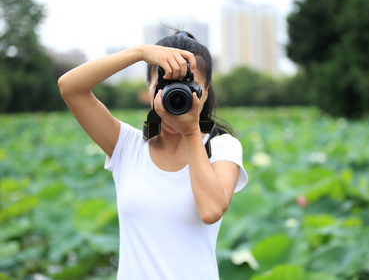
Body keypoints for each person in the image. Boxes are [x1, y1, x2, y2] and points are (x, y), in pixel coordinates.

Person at [58, 31, 248, 279]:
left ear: (206, 90)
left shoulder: (222, 147)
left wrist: (190, 131)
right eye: (164, 84)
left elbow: (211, 211)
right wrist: (140, 52)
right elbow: (70, 87)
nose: (176, 95)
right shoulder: (126, 145)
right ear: (147, 87)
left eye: (188, 86)